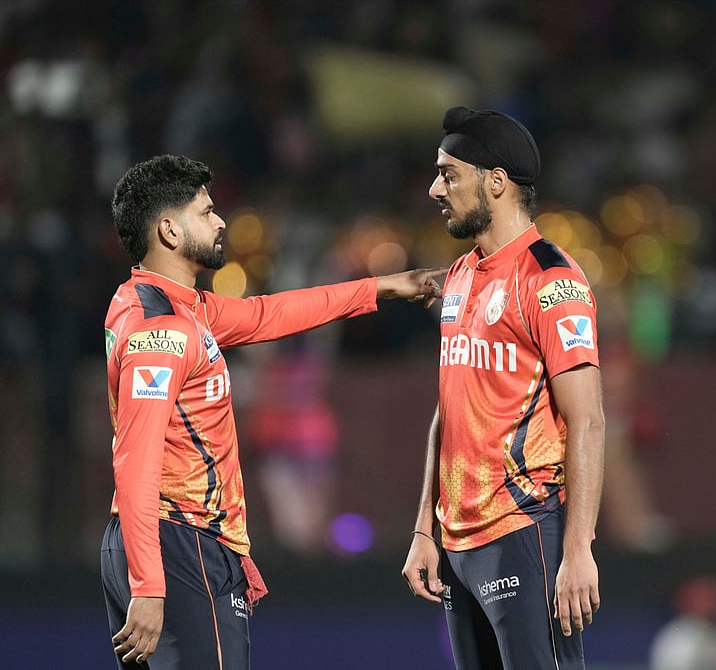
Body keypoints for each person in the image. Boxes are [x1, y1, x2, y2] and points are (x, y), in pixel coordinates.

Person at [101, 153, 446, 669]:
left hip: (158, 539)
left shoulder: (161, 304)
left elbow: (269, 314)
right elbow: (135, 459)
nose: (220, 222)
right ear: (169, 230)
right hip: (178, 541)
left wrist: (385, 286)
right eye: (206, 211)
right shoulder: (162, 331)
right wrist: (150, 585)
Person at [401, 106, 605, 670]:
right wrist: (426, 527)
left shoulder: (551, 280)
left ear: (495, 182)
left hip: (524, 531)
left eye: (449, 174)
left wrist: (579, 548)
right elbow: (448, 411)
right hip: (458, 544)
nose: (434, 187)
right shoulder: (463, 273)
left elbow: (586, 420)